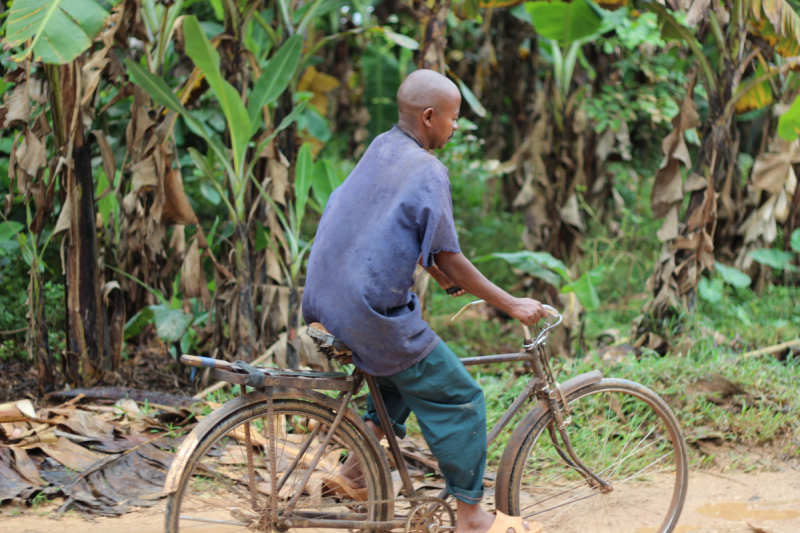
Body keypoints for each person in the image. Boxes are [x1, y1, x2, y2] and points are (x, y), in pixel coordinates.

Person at [302, 68, 547, 533]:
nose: (455, 128)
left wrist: (432, 266)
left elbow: (389, 226)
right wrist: (511, 303)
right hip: (370, 312)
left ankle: (355, 473)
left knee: (397, 374)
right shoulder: (429, 170)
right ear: (430, 116)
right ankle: (473, 516)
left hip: (325, 301)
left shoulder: (382, 148)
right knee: (461, 398)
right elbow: (451, 258)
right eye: (453, 119)